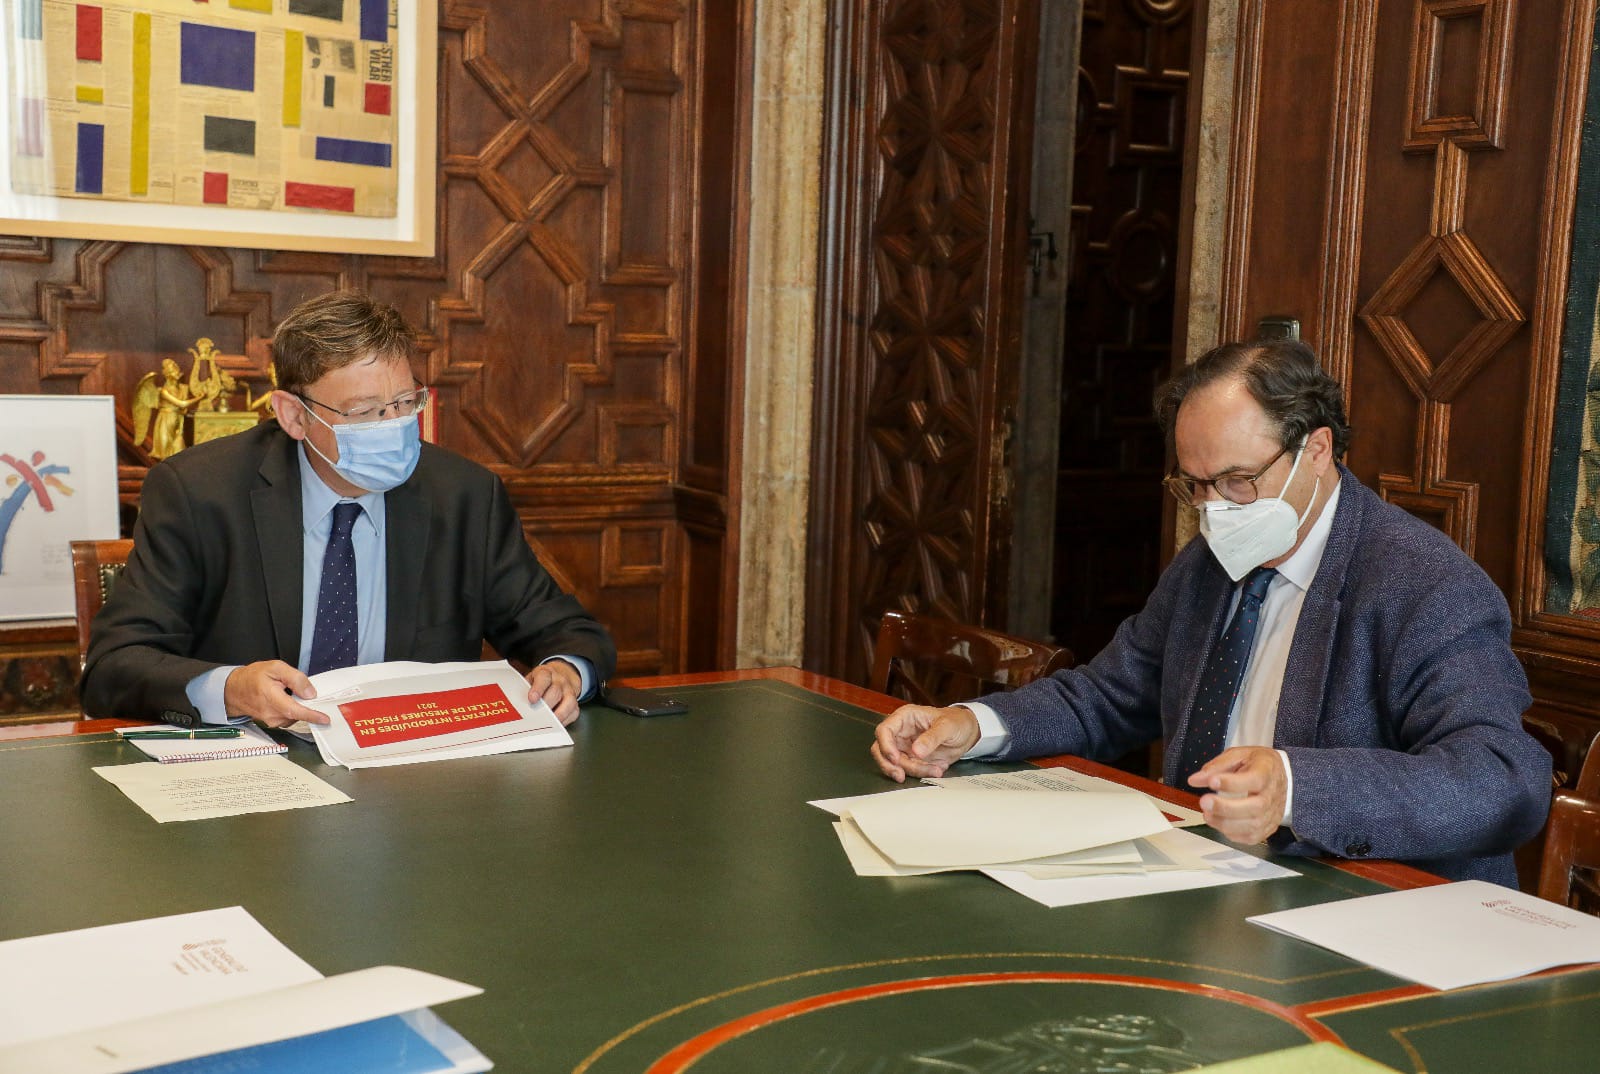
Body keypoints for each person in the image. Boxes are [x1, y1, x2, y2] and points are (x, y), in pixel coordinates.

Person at [871, 338, 1551, 885]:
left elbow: (1502, 780)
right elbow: (1111, 694)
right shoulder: (1212, 560)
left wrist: (1296, 789)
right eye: (1195, 486)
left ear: (1316, 450)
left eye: (1238, 481)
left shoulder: (1425, 584)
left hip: (1370, 905)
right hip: (1208, 877)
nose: (1216, 510)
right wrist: (972, 724)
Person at [83, 291, 616, 730]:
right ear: (293, 416)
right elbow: (114, 667)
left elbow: (569, 632)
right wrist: (230, 688)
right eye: (364, 412)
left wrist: (566, 670)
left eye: (405, 404)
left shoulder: (464, 496)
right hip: (254, 788)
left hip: (413, 782)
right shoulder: (199, 493)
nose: (392, 426)